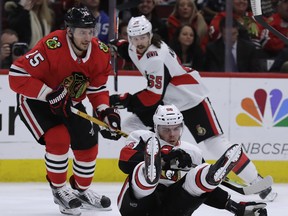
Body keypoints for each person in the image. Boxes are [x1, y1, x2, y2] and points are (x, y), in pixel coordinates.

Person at [109, 15, 277, 201]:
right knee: (132, 127)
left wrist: (125, 100)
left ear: (150, 35)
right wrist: (120, 46)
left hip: (190, 99)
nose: (139, 42)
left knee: (214, 142)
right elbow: (129, 50)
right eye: (134, 38)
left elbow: (152, 97)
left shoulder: (156, 56)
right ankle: (159, 168)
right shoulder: (134, 46)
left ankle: (256, 180)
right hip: (168, 105)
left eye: (143, 37)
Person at [8, 7, 121, 215]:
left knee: (88, 142)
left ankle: (81, 191)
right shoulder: (52, 45)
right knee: (59, 138)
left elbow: (97, 89)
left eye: (90, 31)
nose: (87, 37)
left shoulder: (101, 53)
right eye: (81, 32)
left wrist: (105, 111)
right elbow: (16, 75)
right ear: (69, 31)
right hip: (36, 101)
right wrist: (49, 94)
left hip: (68, 102)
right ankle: (60, 190)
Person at [117, 104, 268, 216]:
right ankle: (151, 171)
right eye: (166, 129)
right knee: (143, 173)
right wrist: (164, 159)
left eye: (176, 129)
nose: (172, 134)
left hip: (171, 209)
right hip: (136, 206)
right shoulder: (144, 138)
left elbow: (208, 193)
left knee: (197, 178)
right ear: (156, 128)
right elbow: (124, 162)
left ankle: (208, 174)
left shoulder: (192, 152)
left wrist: (235, 207)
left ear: (182, 127)